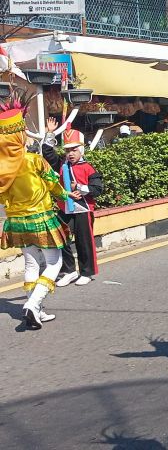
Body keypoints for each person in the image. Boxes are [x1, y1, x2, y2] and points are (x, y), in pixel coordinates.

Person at [1, 96, 70, 329]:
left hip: (16, 222)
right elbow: (54, 184)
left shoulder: (2, 168)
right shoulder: (34, 161)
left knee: (31, 265)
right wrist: (65, 196)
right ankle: (33, 304)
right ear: (19, 135)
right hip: (40, 218)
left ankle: (36, 310)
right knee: (54, 263)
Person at [42, 121, 104, 287]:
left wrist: (81, 188)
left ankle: (86, 272)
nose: (70, 153)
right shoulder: (62, 165)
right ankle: (69, 271)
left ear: (81, 150)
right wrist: (50, 133)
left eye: (74, 150)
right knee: (61, 239)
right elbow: (47, 152)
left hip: (83, 209)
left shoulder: (89, 168)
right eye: (68, 150)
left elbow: (97, 189)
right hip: (65, 209)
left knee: (84, 242)